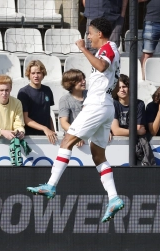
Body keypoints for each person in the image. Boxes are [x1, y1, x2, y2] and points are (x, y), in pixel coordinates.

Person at [27, 17, 124, 223]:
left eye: (90, 33)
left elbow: (101, 67)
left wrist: (82, 49)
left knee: (66, 141)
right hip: (105, 105)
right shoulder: (111, 49)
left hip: (97, 104)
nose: (87, 37)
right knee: (98, 156)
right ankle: (114, 197)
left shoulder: (107, 48)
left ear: (99, 33)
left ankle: (51, 185)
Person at [17, 60, 56, 144]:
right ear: (29, 75)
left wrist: (52, 131)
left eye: (38, 73)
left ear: (43, 74)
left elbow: (47, 114)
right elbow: (25, 119)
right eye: (33, 73)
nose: (36, 76)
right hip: (30, 137)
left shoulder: (47, 90)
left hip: (47, 136)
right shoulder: (23, 92)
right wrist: (44, 128)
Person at [59, 69, 88, 147]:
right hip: (73, 139)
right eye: (80, 80)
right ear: (71, 83)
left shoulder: (91, 95)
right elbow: (64, 123)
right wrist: (77, 135)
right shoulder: (65, 100)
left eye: (83, 79)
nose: (84, 81)